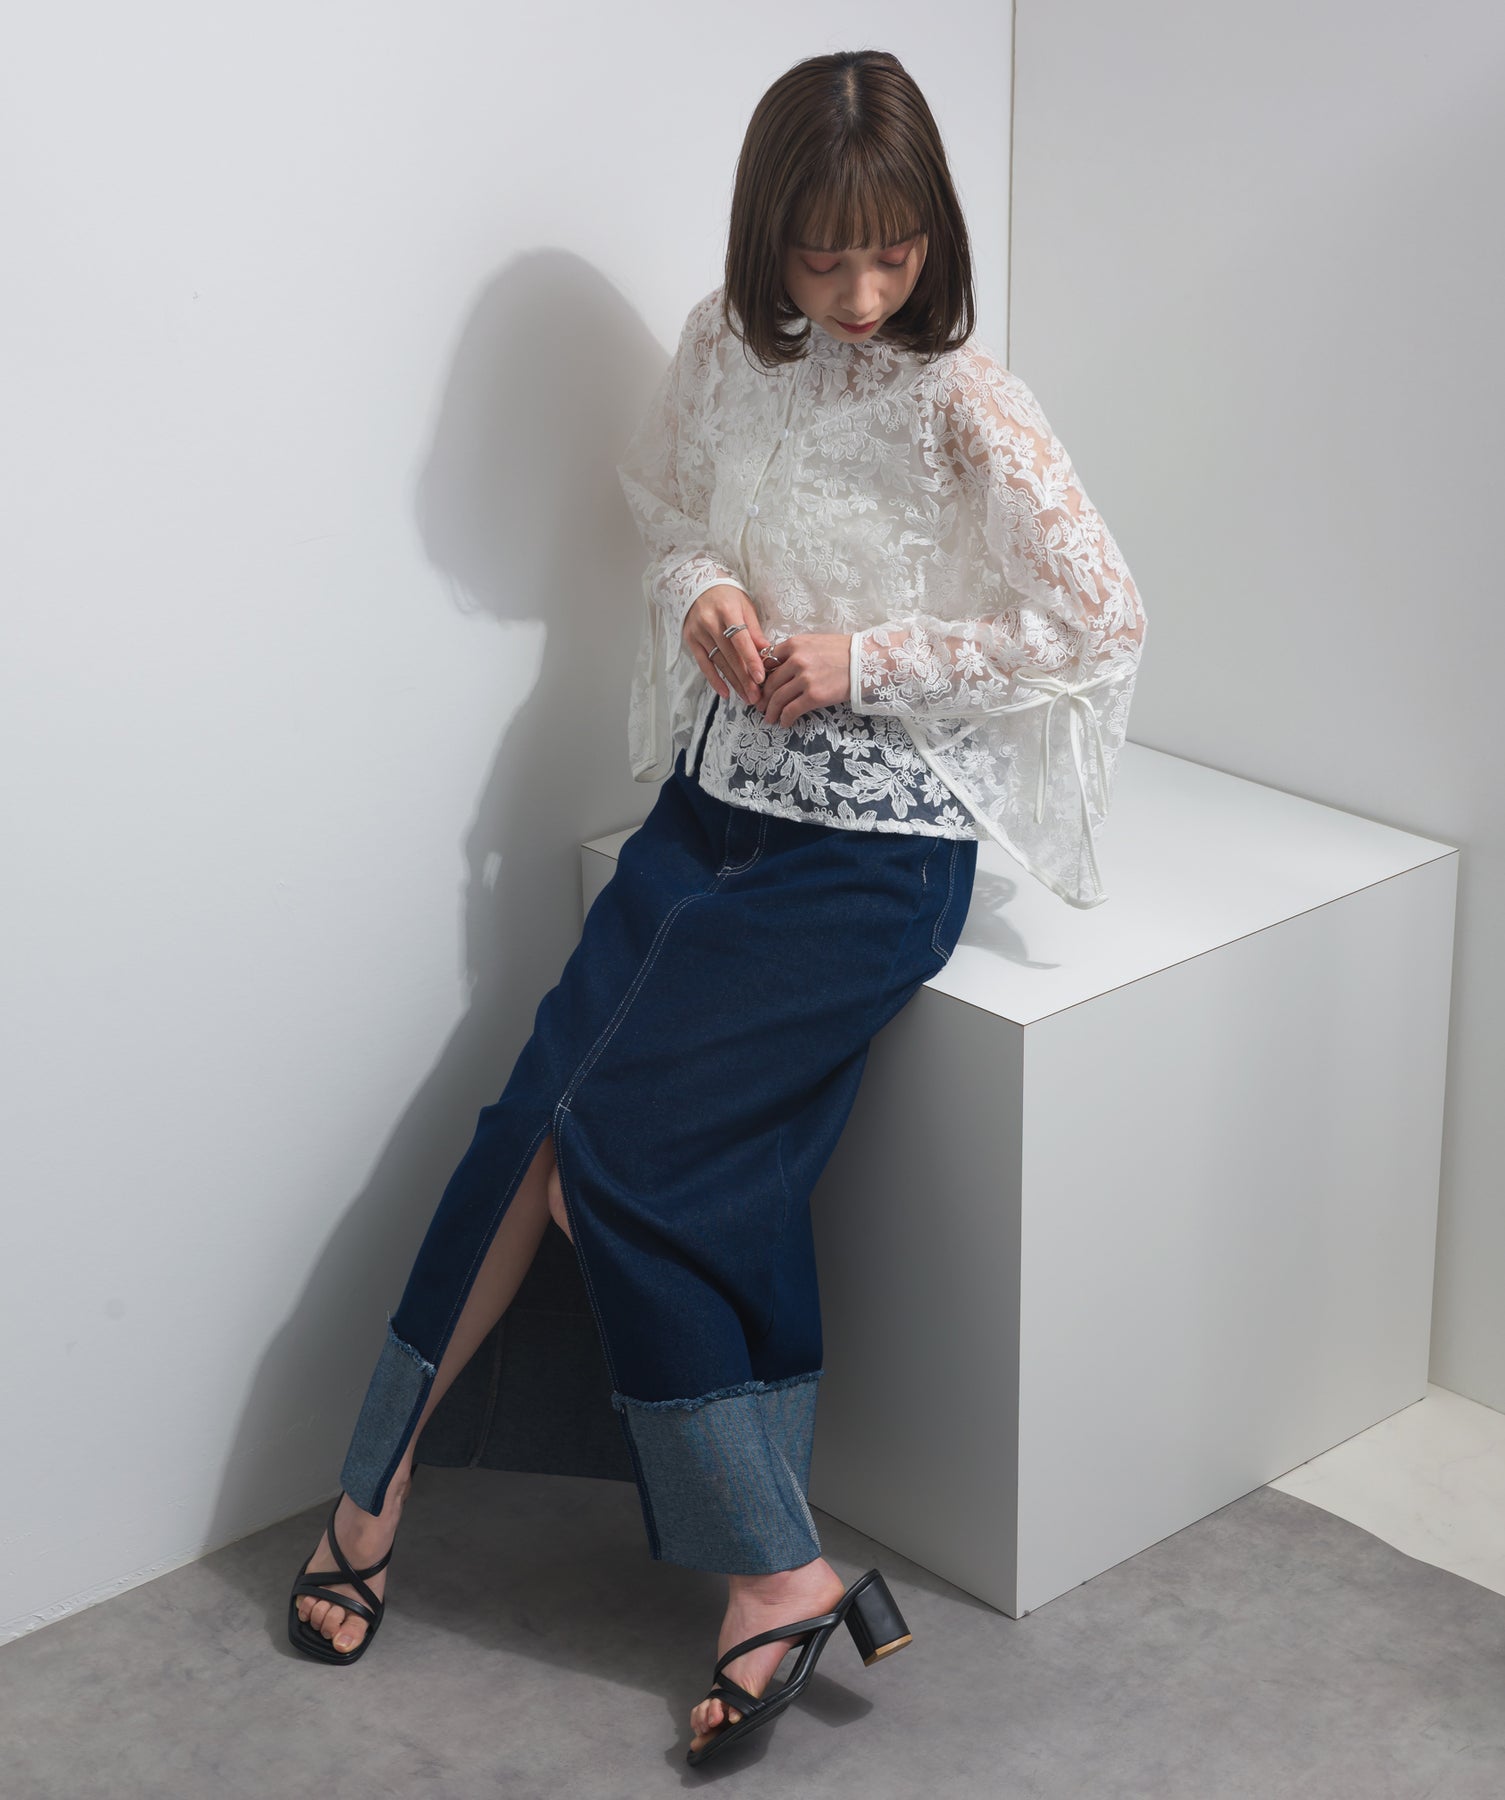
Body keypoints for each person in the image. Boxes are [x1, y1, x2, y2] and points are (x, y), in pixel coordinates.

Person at [286, 46, 1147, 1766]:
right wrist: (704, 602)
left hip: (874, 853)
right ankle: (372, 1492)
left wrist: (864, 658)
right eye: (823, 257)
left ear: (932, 236)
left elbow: (1097, 614)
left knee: (627, 1147)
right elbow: (669, 512)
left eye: (891, 254)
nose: (858, 294)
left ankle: (771, 1573)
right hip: (714, 804)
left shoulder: (967, 399)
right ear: (767, 238)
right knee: (529, 1122)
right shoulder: (716, 345)